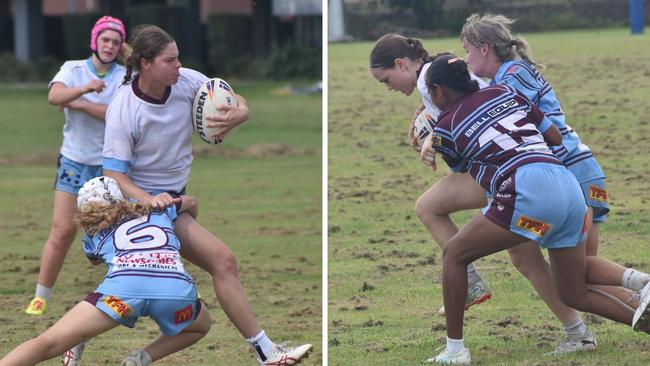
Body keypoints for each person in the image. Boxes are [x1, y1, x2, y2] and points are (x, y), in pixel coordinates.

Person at [370, 34, 597, 354]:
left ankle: (469, 281)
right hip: (531, 163)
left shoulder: (429, 82)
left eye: (386, 79)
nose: (388, 86)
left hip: (509, 168)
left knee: (428, 207)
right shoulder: (438, 70)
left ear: (401, 64)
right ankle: (578, 330)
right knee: (525, 257)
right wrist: (431, 134)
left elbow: (465, 123)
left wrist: (430, 139)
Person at [418, 54, 650, 365]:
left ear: (438, 91)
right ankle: (643, 282)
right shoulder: (505, 92)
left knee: (455, 254)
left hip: (527, 188)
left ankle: (455, 351)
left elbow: (462, 168)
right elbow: (554, 135)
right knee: (573, 289)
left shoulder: (445, 127)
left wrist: (429, 137)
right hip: (568, 186)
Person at [101, 24, 312, 365]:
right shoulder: (124, 108)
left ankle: (113, 350)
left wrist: (241, 111)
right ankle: (266, 353)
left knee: (163, 285)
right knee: (208, 268)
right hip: (138, 209)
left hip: (173, 201)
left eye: (179, 57)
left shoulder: (185, 82)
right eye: (170, 60)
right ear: (145, 63)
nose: (178, 65)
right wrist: (148, 199)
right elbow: (113, 174)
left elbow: (231, 96)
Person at [460, 13, 640, 311]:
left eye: (467, 50)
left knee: (579, 276)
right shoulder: (510, 73)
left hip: (572, 172)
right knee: (582, 277)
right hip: (580, 172)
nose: (465, 58)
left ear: (484, 48)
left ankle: (642, 289)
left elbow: (506, 114)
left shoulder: (511, 75)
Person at [1, 176, 212, 366]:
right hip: (174, 291)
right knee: (200, 325)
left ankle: (77, 337)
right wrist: (170, 202)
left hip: (121, 297)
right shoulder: (159, 210)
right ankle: (141, 359)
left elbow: (94, 261)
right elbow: (192, 203)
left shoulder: (92, 234)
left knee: (47, 343)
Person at [26, 15, 130, 316]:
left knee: (116, 233)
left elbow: (115, 115)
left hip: (110, 166)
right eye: (105, 40)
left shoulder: (124, 76)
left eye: (115, 41)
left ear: (120, 45)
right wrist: (84, 89)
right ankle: (40, 297)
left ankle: (123, 293)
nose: (109, 46)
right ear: (94, 41)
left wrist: (79, 104)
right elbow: (54, 96)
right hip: (74, 162)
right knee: (61, 232)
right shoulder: (72, 69)